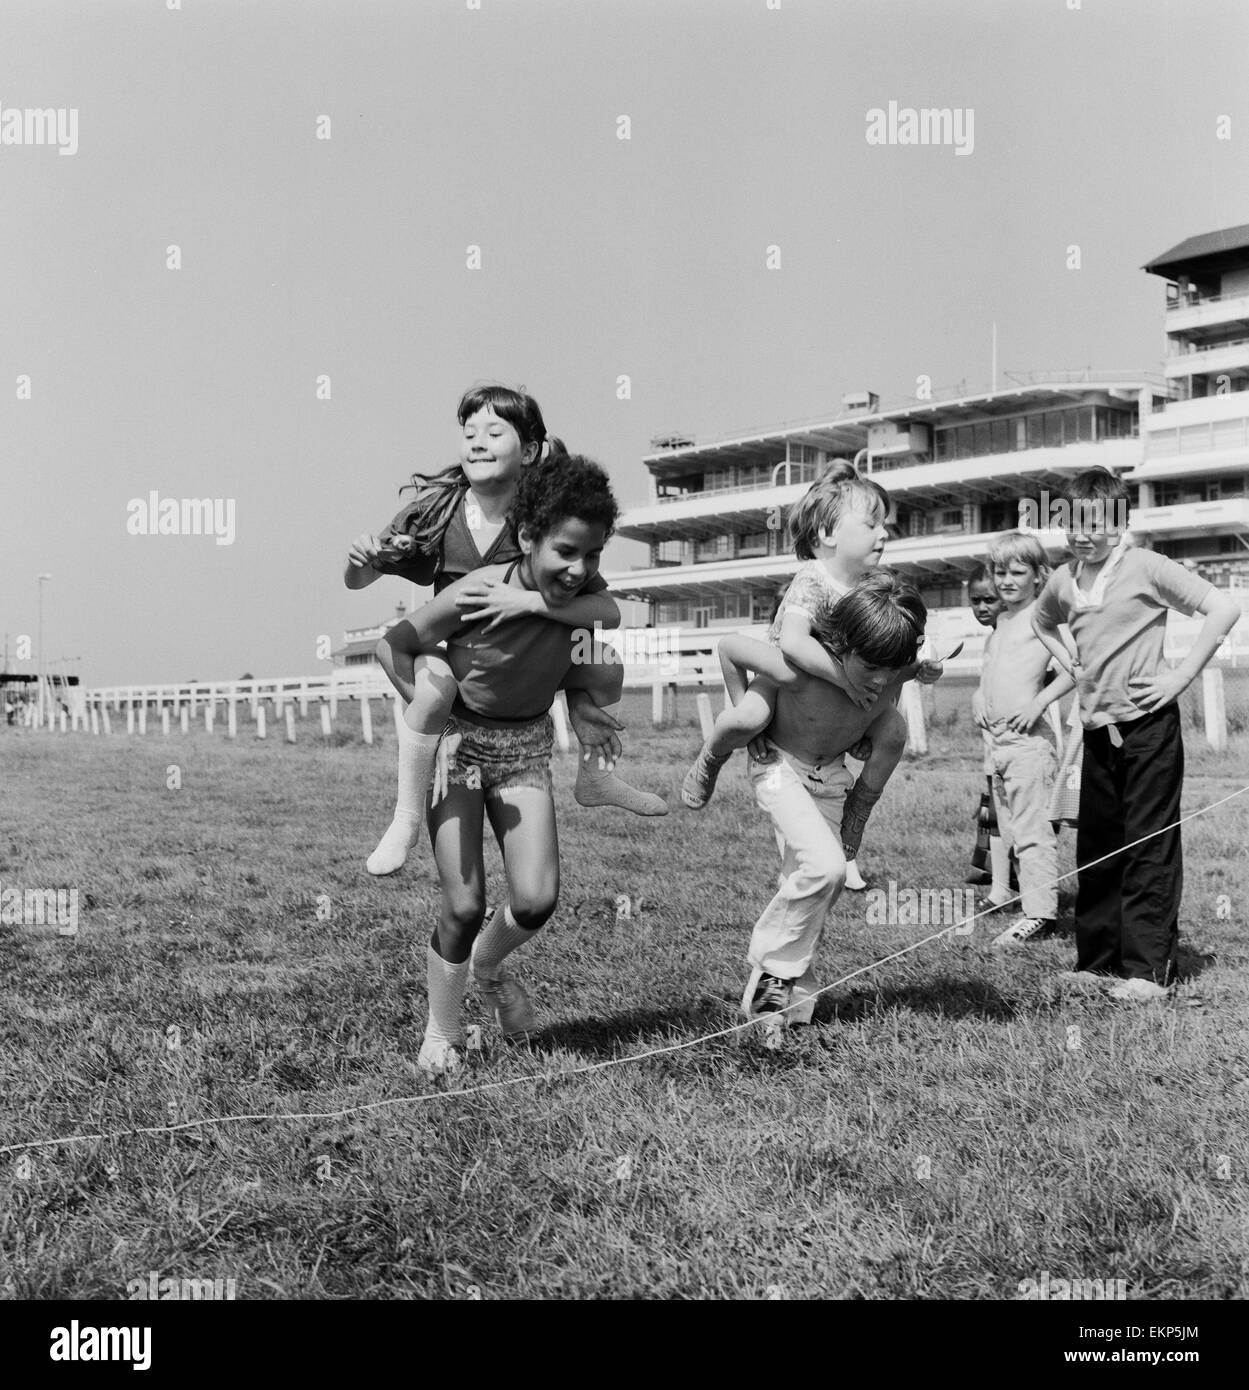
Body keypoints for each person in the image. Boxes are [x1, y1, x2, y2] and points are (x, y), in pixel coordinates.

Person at [377, 452, 636, 1074]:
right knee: (464, 903)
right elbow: (396, 644)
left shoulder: (582, 596)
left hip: (524, 748)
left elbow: (611, 615)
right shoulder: (476, 589)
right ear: (526, 537)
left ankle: (489, 968)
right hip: (458, 746)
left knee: (538, 898)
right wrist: (428, 708)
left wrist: (537, 613)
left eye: (594, 555)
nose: (580, 570)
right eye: (567, 551)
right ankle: (442, 1030)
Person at [346, 383, 665, 875]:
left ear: (529, 452)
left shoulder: (541, 519)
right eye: (469, 432)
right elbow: (362, 582)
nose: (477, 441)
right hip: (458, 654)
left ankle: (596, 776)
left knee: (605, 666)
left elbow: (605, 609)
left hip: (530, 655)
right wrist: (363, 563)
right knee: (435, 694)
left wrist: (528, 604)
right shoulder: (436, 514)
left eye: (494, 432)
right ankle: (404, 818)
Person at [1032, 468, 1240, 1001]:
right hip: (1097, 733)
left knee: (1148, 846)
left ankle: (1147, 971)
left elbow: (1224, 607)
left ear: (1120, 523)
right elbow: (1041, 622)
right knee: (1097, 847)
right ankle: (1096, 963)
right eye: (1073, 524)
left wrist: (1181, 675)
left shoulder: (1145, 567)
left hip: (1149, 729)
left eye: (1097, 523)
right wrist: (1068, 661)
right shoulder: (1063, 578)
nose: (1084, 534)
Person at [682, 470, 941, 888]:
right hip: (787, 675)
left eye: (885, 525)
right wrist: (845, 682)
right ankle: (711, 757)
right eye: (872, 524)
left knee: (894, 731)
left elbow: (903, 632)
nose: (884, 534)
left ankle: (860, 804)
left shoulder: (875, 582)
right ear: (827, 533)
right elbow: (794, 644)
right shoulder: (813, 578)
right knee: (747, 716)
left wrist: (927, 662)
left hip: (841, 690)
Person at [711, 570, 927, 1029]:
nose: (880, 679)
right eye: (870, 668)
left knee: (814, 887)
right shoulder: (799, 667)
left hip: (831, 780)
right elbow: (729, 646)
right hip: (777, 770)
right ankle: (774, 975)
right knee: (828, 870)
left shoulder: (883, 664)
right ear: (842, 646)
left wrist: (922, 670)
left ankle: (788, 1012)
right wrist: (741, 717)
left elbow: (907, 675)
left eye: (891, 669)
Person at [974, 533, 1075, 947]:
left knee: (1033, 831)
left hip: (1030, 744)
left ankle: (1041, 914)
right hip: (997, 746)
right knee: (1010, 830)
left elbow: (1074, 669)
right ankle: (1029, 901)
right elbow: (990, 668)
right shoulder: (1000, 621)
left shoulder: (1042, 616)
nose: (1007, 581)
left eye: (1018, 572)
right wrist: (980, 696)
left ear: (1039, 576)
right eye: (1000, 572)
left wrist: (1039, 704)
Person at [965, 562, 1011, 890]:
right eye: (975, 600)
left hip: (1019, 743)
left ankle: (1009, 884)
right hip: (993, 746)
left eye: (989, 600)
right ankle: (998, 880)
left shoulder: (1020, 635)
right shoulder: (990, 641)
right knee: (994, 813)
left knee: (1011, 817)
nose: (982, 607)